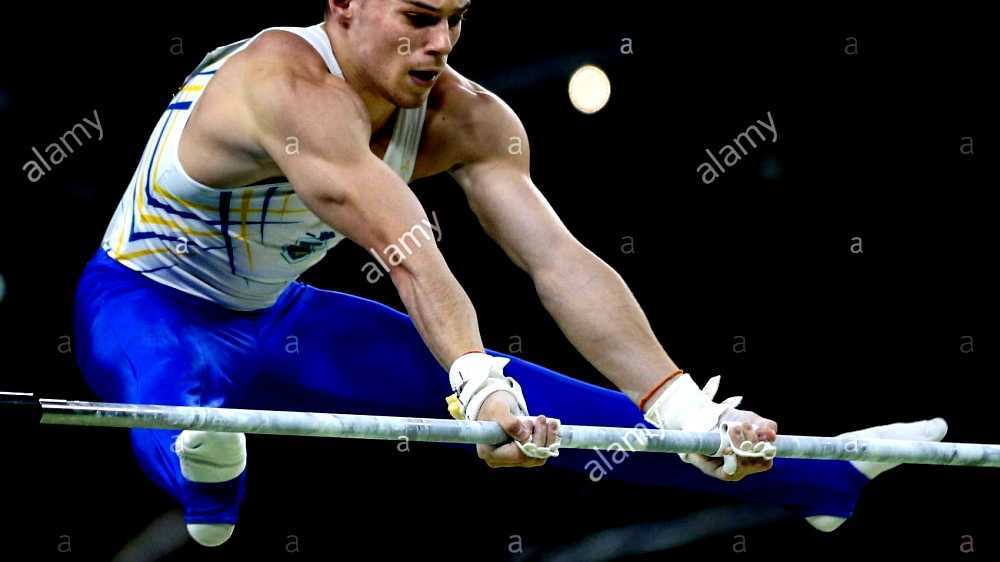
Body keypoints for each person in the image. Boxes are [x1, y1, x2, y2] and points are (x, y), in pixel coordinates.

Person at [73, 0, 946, 547]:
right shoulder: (279, 82)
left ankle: (823, 479)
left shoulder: (468, 116)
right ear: (342, 7)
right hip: (146, 298)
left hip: (285, 315)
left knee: (545, 397)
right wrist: (475, 388)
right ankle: (209, 477)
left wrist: (677, 402)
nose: (438, 46)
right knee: (177, 393)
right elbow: (404, 247)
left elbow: (555, 259)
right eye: (417, 18)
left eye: (454, 21)